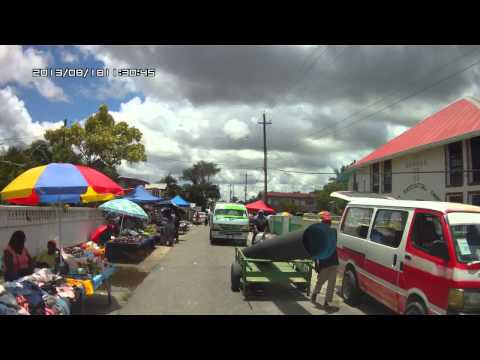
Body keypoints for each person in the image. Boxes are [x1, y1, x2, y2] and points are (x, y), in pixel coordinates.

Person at [311, 211, 339, 310]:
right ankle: (315, 293)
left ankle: (327, 301)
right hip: (324, 262)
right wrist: (316, 263)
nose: (328, 224)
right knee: (321, 281)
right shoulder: (319, 234)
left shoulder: (333, 232)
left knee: (332, 283)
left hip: (334, 261)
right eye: (326, 222)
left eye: (329, 222)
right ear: (323, 223)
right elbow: (315, 249)